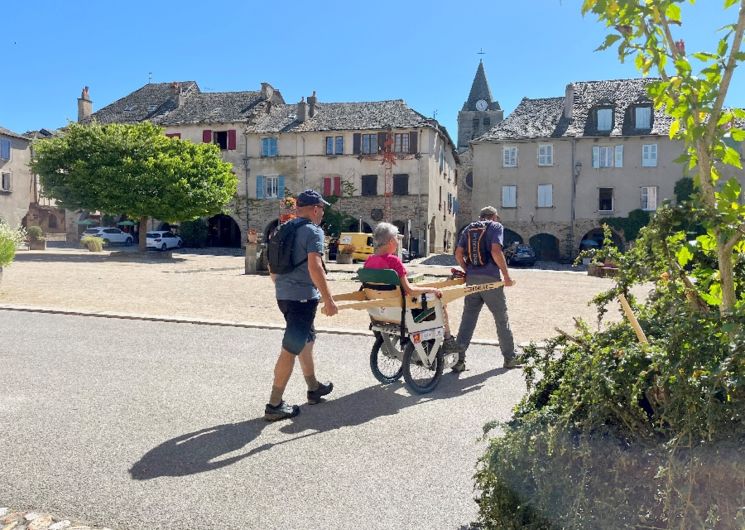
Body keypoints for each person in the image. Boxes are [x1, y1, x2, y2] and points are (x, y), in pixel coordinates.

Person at [264, 189, 339, 421]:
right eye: (322, 208)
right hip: (301, 300)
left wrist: (282, 285)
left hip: (285, 296)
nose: (323, 212)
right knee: (290, 349)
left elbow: (271, 263)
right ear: (315, 209)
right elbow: (315, 266)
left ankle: (313, 387)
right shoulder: (312, 231)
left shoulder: (283, 228)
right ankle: (274, 404)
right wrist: (329, 300)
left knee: (307, 340)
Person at [364, 222, 462, 354]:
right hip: (402, 312)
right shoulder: (393, 261)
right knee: (440, 303)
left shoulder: (369, 261)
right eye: (397, 239)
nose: (398, 242)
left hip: (381, 312)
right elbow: (409, 290)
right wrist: (432, 290)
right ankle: (448, 339)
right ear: (392, 240)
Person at [453, 206, 519, 372]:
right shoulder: (495, 227)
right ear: (493, 217)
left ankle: (458, 361)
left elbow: (458, 254)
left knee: (468, 319)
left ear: (480, 216)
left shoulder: (469, 228)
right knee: (501, 318)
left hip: (472, 280)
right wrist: (506, 276)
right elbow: (496, 250)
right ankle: (510, 358)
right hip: (491, 279)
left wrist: (467, 270)